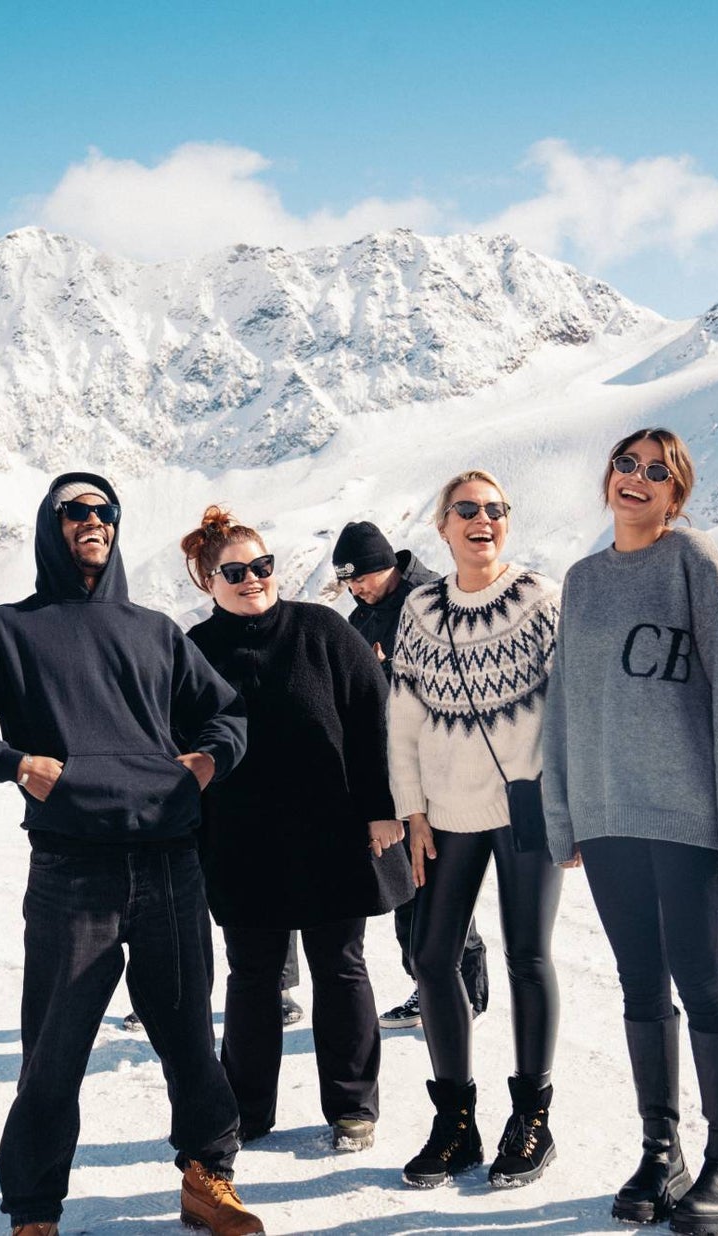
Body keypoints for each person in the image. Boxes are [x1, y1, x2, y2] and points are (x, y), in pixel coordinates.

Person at [0, 473, 260, 1236]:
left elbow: (227, 714)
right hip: (73, 870)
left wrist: (208, 761)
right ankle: (35, 1212)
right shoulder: (11, 629)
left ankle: (208, 1177)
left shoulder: (153, 629)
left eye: (104, 511)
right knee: (54, 1047)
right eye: (75, 511)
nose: (93, 521)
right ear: (51, 526)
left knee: (186, 1036)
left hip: (170, 861)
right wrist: (14, 763)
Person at [543, 427, 718, 1234]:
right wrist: (564, 813)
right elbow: (564, 703)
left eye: (658, 473)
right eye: (626, 464)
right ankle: (660, 1148)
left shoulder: (693, 561)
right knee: (639, 983)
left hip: (685, 818)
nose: (636, 479)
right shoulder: (581, 580)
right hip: (609, 818)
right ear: (607, 475)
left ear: (677, 497)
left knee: (700, 978)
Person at [181, 505, 410, 1153]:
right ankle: (247, 1111)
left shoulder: (323, 630)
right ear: (208, 582)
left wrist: (380, 807)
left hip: (333, 838)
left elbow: (373, 719)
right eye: (236, 571)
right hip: (241, 847)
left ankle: (352, 1108)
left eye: (262, 566)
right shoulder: (194, 654)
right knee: (252, 979)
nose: (253, 578)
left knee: (340, 967)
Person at [387, 470, 564, 1190]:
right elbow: (401, 716)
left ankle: (532, 1121)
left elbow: (573, 705)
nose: (482, 520)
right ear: (442, 526)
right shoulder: (420, 610)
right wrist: (412, 808)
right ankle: (455, 1123)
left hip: (529, 808)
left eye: (495, 509)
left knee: (526, 955)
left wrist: (571, 802)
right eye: (467, 510)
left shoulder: (540, 599)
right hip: (450, 811)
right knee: (432, 958)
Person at [333, 519, 489, 1030]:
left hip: (445, 768)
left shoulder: (436, 600)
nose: (356, 588)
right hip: (397, 770)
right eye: (349, 582)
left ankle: (467, 992)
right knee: (411, 884)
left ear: (384, 566)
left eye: (360, 578)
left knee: (441, 883)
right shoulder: (360, 619)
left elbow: (462, 676)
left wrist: (390, 670)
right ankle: (429, 987)